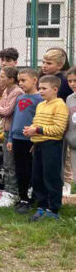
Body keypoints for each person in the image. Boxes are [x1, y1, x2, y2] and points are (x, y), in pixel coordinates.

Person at [24, 75, 68, 221]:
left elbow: (59, 129)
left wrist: (37, 130)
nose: (40, 91)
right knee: (38, 177)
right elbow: (36, 122)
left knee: (51, 177)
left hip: (52, 145)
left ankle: (53, 209)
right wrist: (30, 131)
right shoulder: (41, 105)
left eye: (44, 88)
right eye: (40, 88)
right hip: (38, 145)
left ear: (55, 89)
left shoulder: (60, 105)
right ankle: (42, 206)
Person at [7, 69, 43, 214]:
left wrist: (35, 141)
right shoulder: (20, 98)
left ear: (35, 80)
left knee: (30, 170)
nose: (20, 83)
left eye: (23, 80)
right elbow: (15, 119)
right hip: (17, 139)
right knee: (20, 170)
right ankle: (22, 198)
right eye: (19, 80)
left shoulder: (40, 99)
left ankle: (29, 198)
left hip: (30, 141)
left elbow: (40, 120)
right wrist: (10, 138)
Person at [40, 48, 73, 195]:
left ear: (59, 65)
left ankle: (64, 184)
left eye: (48, 63)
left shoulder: (64, 80)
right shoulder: (44, 78)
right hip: (46, 123)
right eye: (43, 62)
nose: (44, 65)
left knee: (62, 157)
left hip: (61, 124)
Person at [0, 66, 23, 207]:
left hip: (14, 132)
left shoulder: (17, 92)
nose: (0, 79)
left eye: (2, 76)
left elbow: (6, 110)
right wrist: (0, 110)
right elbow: (2, 107)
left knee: (11, 163)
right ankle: (8, 190)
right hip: (6, 130)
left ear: (11, 79)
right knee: (6, 162)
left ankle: (13, 192)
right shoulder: (6, 90)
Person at [64, 67, 76, 197]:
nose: (72, 84)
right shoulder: (69, 98)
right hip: (73, 143)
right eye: (70, 81)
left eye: (75, 81)